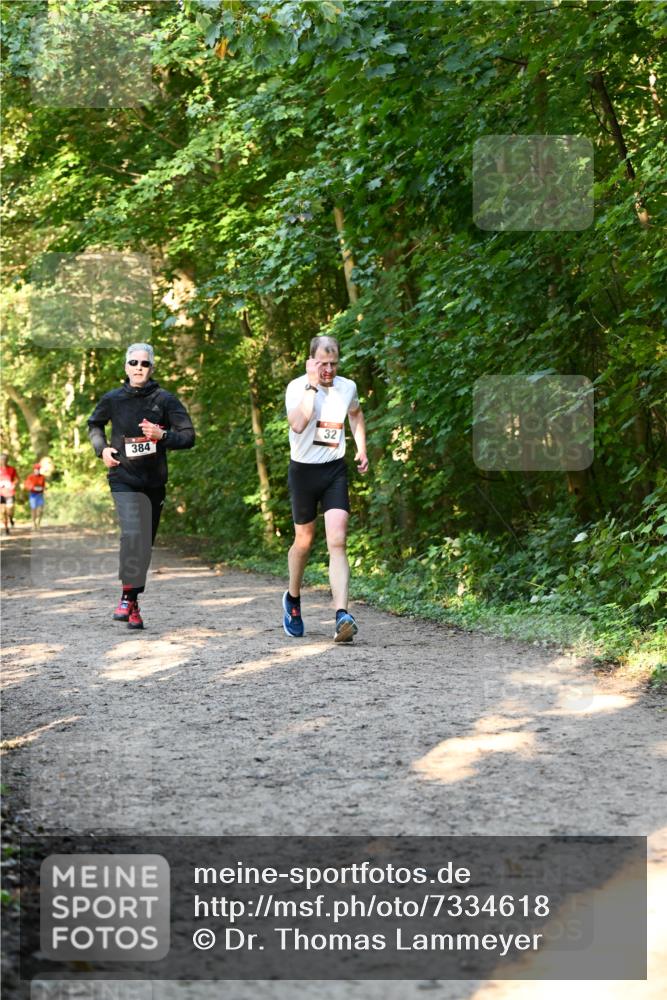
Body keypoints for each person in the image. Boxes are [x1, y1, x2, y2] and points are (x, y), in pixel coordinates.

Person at [87, 343, 195, 629]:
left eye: (144, 364)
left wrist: (163, 434)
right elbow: (94, 425)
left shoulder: (165, 400)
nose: (138, 367)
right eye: (133, 362)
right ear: (126, 367)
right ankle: (126, 597)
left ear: (151, 368)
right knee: (132, 533)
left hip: (154, 482)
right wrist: (102, 450)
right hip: (123, 477)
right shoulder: (113, 399)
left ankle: (133, 601)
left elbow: (188, 436)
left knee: (144, 545)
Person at [283, 335, 369, 643]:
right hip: (303, 472)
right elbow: (297, 424)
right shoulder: (297, 387)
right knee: (304, 542)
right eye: (322, 364)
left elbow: (356, 414)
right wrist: (311, 385)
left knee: (338, 538)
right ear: (311, 361)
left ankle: (341, 615)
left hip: (334, 469)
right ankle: (292, 599)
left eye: (333, 364)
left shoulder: (348, 387)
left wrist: (362, 447)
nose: (329, 370)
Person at [23, 462, 47, 530]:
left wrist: (43, 489)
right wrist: (32, 488)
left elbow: (44, 485)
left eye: (38, 469)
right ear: (34, 470)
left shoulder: (42, 477)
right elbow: (27, 485)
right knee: (33, 510)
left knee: (40, 510)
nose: (37, 470)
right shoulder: (30, 477)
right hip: (33, 495)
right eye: (36, 469)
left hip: (40, 495)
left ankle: (38, 523)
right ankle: (33, 524)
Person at [0, 453, 18, 535]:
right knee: (3, 511)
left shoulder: (12, 469)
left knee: (9, 510)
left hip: (10, 493)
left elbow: (16, 479)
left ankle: (11, 518)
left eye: (5, 459)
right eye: (2, 459)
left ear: (7, 460)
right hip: (1, 493)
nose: (3, 461)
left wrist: (13, 485)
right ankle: (6, 528)